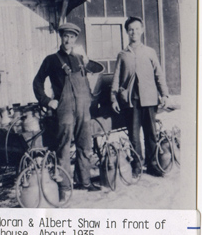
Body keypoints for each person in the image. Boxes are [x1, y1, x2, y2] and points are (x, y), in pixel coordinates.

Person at [33, 22, 100, 201]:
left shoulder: (80, 59)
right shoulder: (51, 59)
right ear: (61, 37)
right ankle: (64, 186)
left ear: (75, 39)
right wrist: (47, 101)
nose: (68, 39)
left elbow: (94, 73)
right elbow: (37, 82)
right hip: (65, 109)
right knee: (63, 147)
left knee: (85, 145)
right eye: (65, 36)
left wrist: (87, 61)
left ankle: (84, 181)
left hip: (83, 108)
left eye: (72, 37)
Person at [111, 16, 169, 176]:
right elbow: (116, 77)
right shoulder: (122, 54)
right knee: (134, 135)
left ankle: (152, 164)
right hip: (131, 102)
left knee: (151, 133)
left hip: (149, 99)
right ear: (127, 32)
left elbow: (159, 74)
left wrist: (164, 94)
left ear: (142, 31)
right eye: (131, 29)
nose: (134, 32)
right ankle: (137, 165)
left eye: (137, 29)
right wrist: (114, 97)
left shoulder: (149, 52)